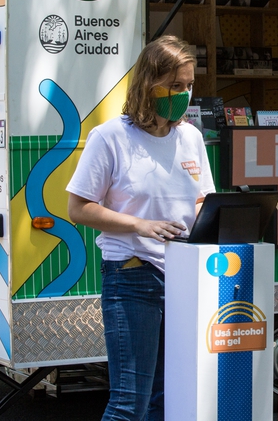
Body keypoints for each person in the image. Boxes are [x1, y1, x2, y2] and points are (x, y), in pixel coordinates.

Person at [66, 35, 215, 420]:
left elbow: (203, 201)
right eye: (175, 85)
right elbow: (78, 208)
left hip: (184, 277)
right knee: (129, 403)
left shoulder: (191, 138)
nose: (184, 94)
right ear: (149, 84)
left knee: (167, 400)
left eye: (189, 85)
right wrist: (139, 225)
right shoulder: (111, 137)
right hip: (132, 276)